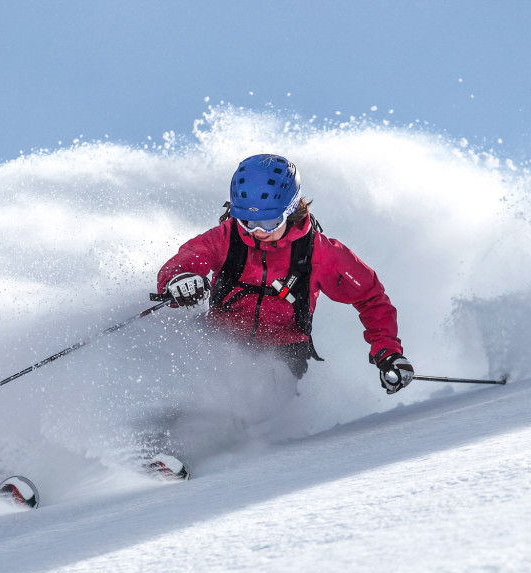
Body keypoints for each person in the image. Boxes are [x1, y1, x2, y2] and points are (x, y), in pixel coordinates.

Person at [156, 153, 414, 394]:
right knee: (177, 347)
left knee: (257, 390)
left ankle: (240, 429)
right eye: (248, 221)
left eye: (269, 223)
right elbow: (183, 262)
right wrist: (178, 281)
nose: (258, 231)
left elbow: (370, 297)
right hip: (217, 338)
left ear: (290, 211)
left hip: (282, 351)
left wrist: (388, 351)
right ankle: (168, 417)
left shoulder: (320, 253)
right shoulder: (227, 236)